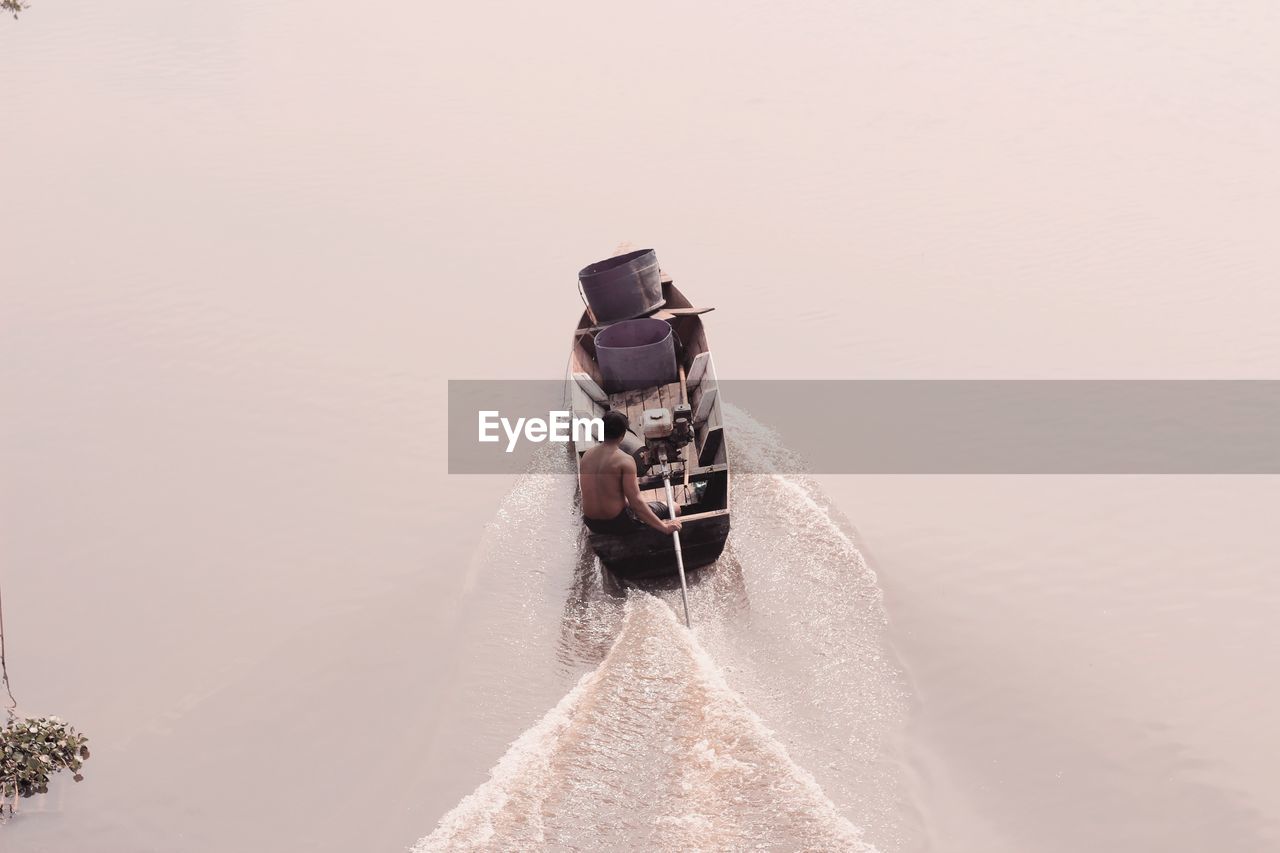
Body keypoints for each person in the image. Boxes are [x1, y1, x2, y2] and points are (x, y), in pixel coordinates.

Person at [580, 410, 682, 535]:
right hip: (617, 523)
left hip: (592, 523)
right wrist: (664, 527)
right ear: (623, 435)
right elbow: (637, 504)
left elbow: (595, 489)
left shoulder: (586, 455)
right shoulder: (625, 461)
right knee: (675, 508)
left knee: (626, 503)